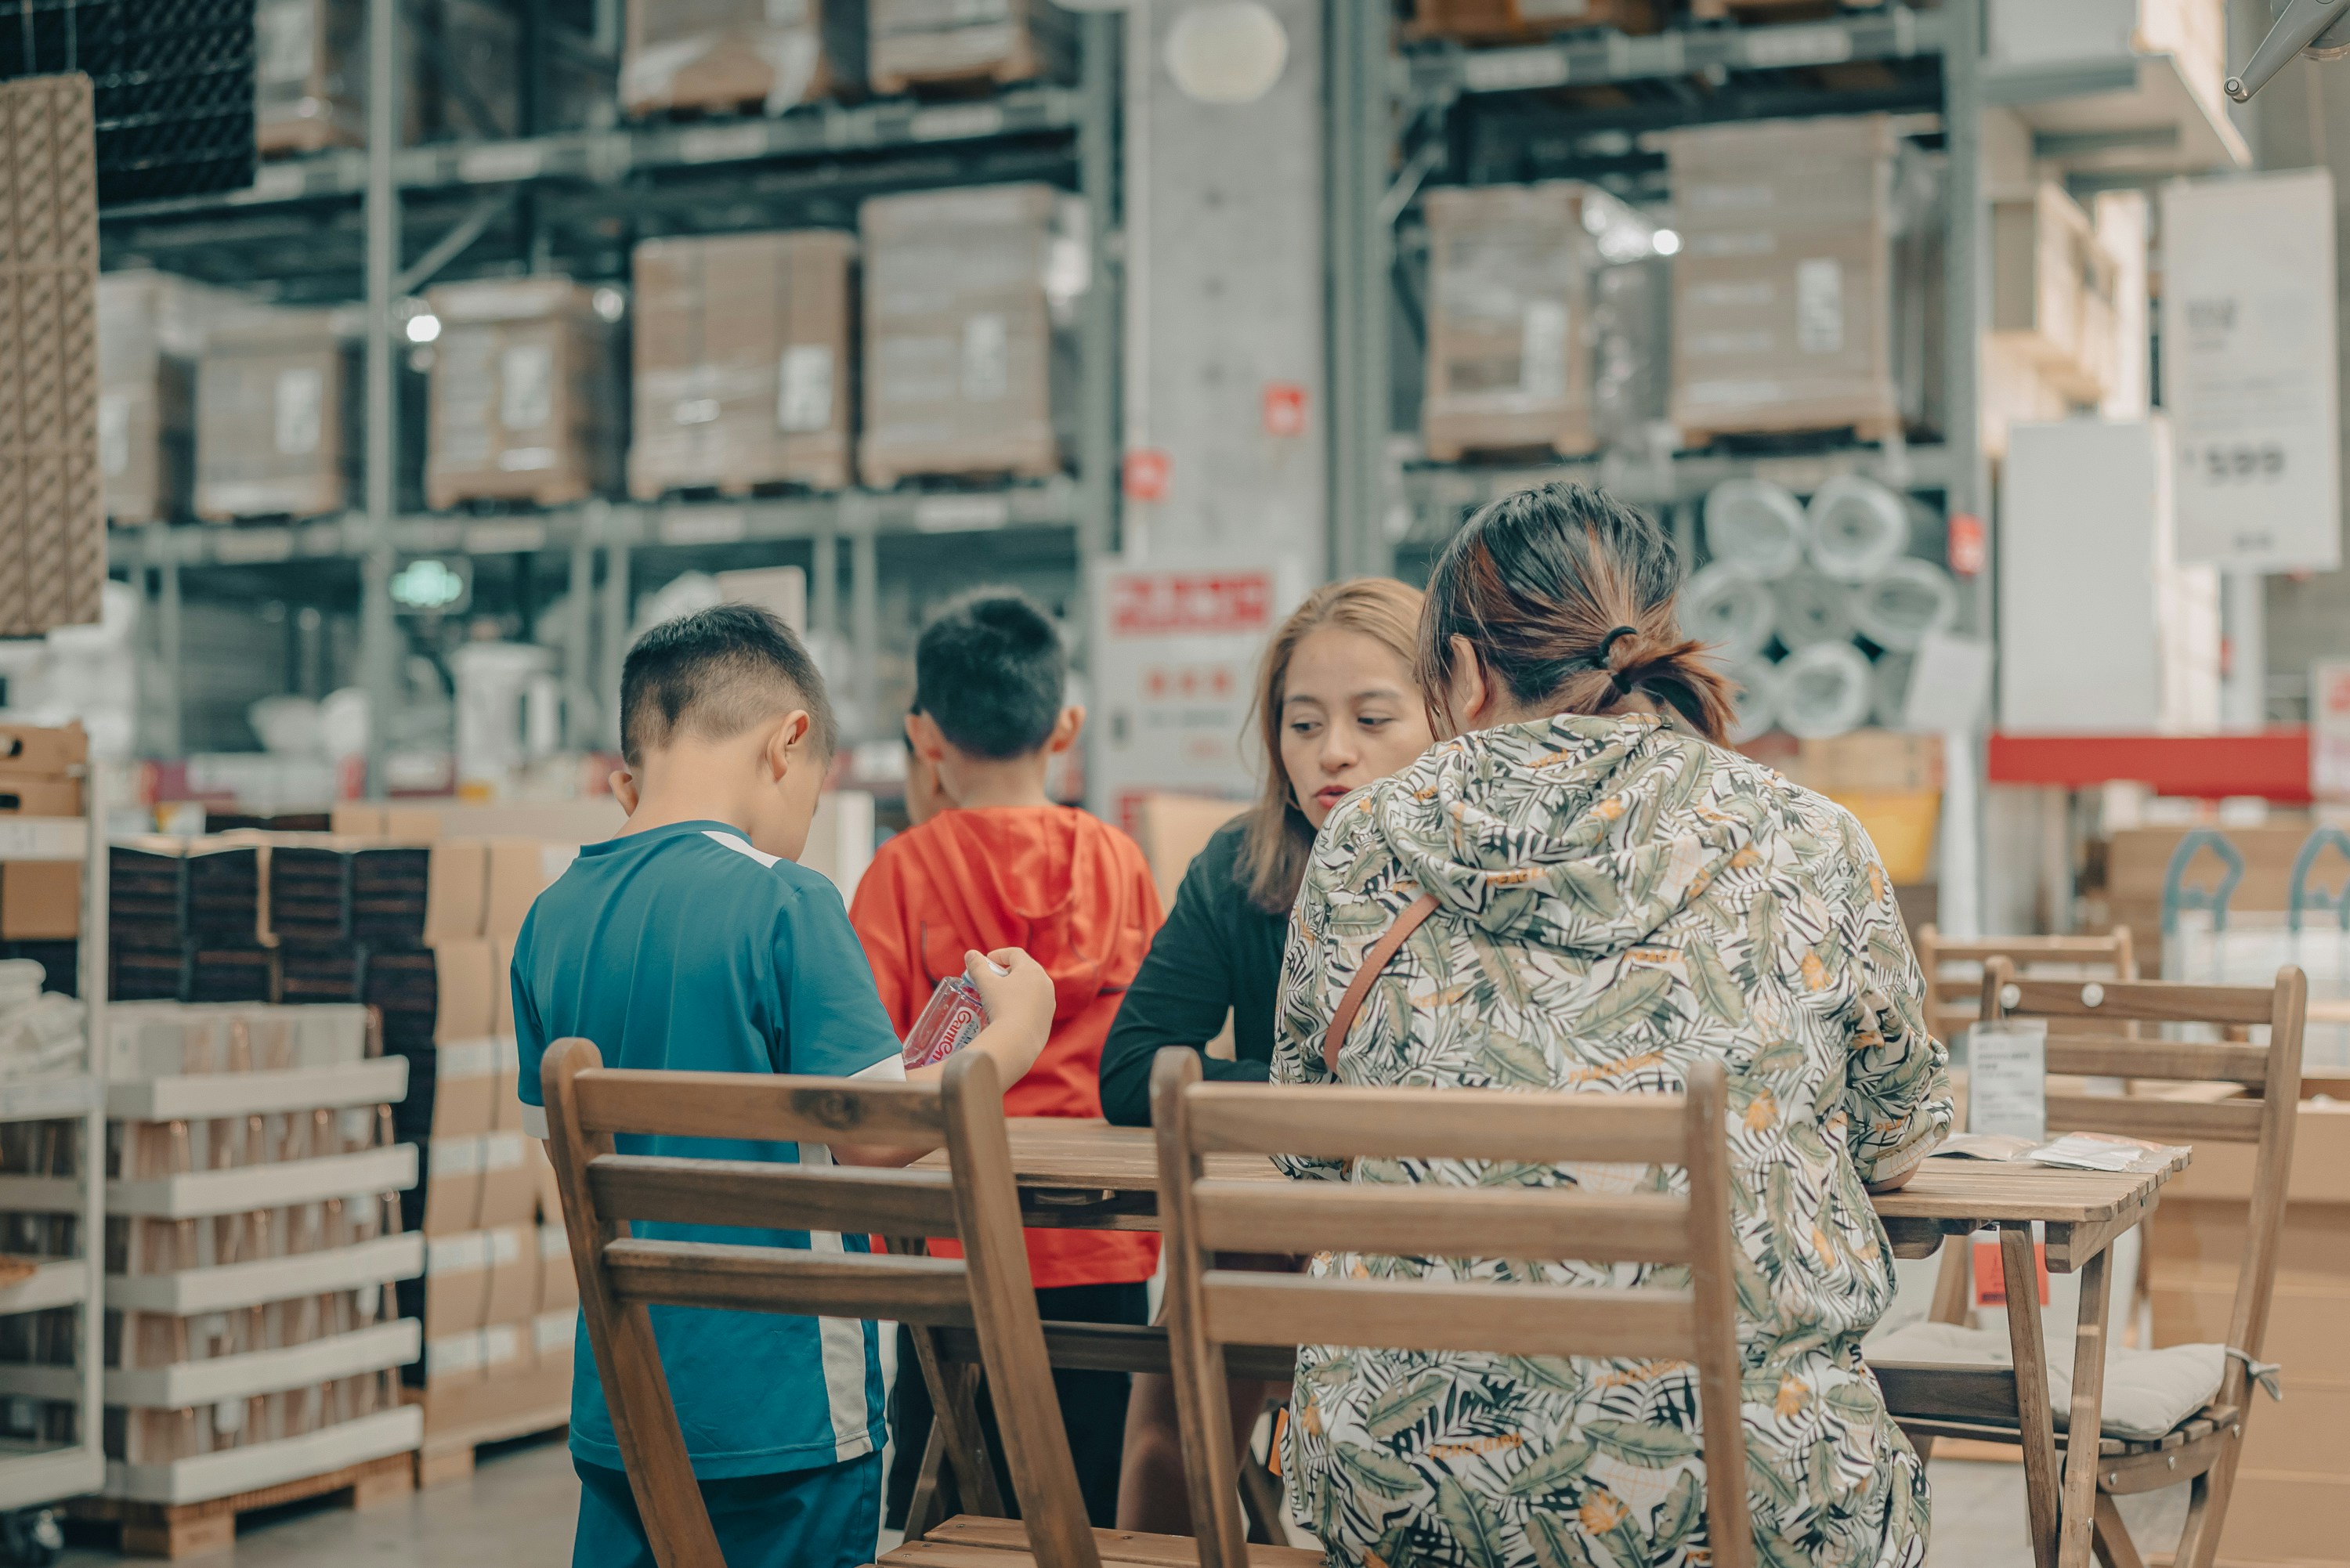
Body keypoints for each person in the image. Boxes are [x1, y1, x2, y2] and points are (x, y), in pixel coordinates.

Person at [1273, 484, 1950, 1568]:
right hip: (1749, 1495)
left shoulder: (1362, 844)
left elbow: (1310, 1156)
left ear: (1461, 670)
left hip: (1414, 1498)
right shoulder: (1810, 835)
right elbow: (1898, 1131)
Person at [511, 604, 1056, 1568]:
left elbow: (558, 1164)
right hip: (786, 1415)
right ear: (787, 742)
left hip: (623, 1414)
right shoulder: (785, 900)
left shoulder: (550, 918)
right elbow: (879, 1135)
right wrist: (1014, 1033)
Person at [1099, 577, 1435, 1534]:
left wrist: (1270, 1102)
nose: (1333, 751)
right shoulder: (1241, 866)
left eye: (1374, 717)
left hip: (1437, 1236)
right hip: (1279, 1224)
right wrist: (1314, 1100)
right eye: (1302, 723)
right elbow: (1133, 1072)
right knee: (1174, 1382)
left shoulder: (1484, 875)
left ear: (1449, 717)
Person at [851, 589, 1163, 1526]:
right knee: (1094, 1498)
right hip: (1102, 1245)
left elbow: (870, 1074)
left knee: (948, 1499)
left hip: (947, 1251)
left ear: (924, 736)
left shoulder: (900, 872)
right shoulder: (1120, 863)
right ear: (1065, 725)